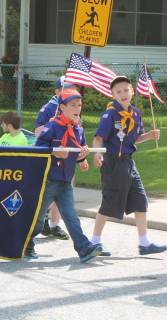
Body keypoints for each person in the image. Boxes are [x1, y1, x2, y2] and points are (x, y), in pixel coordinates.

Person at [91, 75, 167, 256]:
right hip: (112, 163)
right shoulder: (110, 114)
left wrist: (149, 135)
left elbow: (134, 138)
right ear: (113, 94)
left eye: (126, 90)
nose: (123, 94)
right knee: (109, 203)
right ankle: (94, 241)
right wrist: (97, 154)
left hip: (128, 162)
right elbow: (98, 138)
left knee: (140, 200)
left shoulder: (135, 113)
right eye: (118, 91)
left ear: (132, 91)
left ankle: (144, 243)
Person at [25, 90, 102, 263]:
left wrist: (82, 156)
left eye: (79, 105)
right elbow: (38, 149)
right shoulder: (52, 126)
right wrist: (54, 153)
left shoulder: (78, 129)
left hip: (65, 181)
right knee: (38, 217)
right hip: (48, 180)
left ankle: (84, 249)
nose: (77, 108)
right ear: (62, 108)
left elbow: (78, 152)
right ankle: (26, 244)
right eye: (73, 105)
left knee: (71, 216)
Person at [34, 76, 79, 240]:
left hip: (69, 159)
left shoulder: (74, 106)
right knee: (49, 191)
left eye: (72, 87)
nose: (70, 91)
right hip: (52, 158)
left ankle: (54, 224)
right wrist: (55, 136)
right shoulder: (49, 108)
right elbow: (38, 131)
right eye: (66, 88)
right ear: (57, 91)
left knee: (65, 189)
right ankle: (40, 223)